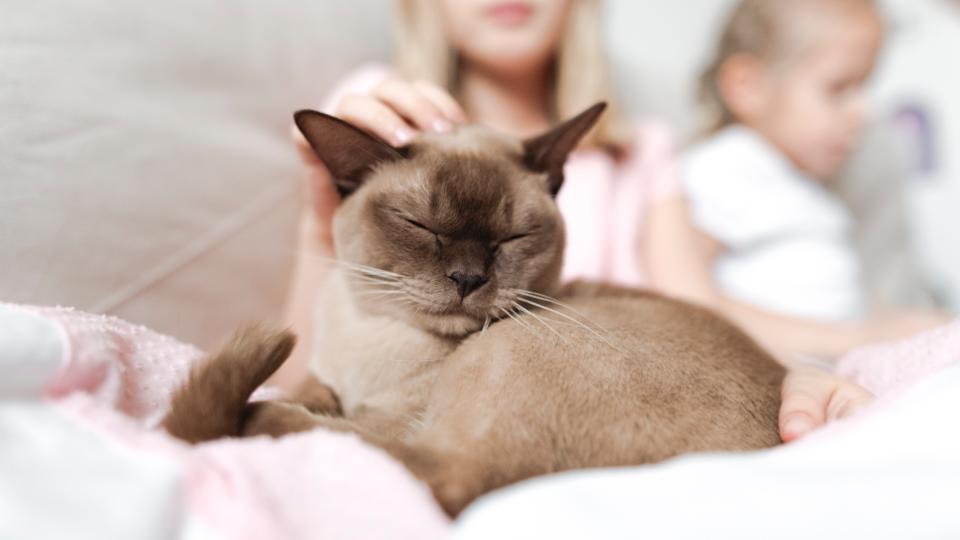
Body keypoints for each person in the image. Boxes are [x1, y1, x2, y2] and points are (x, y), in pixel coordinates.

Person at [274, 0, 878, 442]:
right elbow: (303, 374)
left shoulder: (639, 152)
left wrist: (795, 374)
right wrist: (322, 217)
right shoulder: (380, 114)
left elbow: (700, 311)